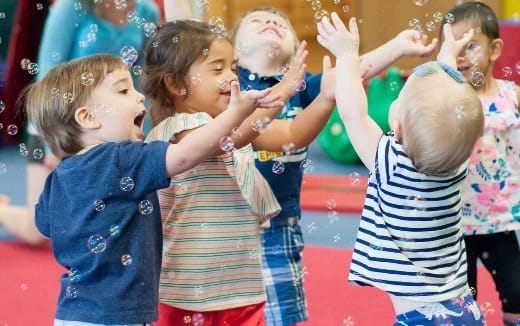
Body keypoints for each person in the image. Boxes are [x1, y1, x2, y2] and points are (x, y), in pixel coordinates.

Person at [26, 53, 279, 325]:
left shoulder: (59, 177)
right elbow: (185, 154)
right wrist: (234, 114)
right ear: (87, 117)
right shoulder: (122, 158)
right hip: (120, 316)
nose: (139, 97)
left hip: (71, 314)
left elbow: (44, 225)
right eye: (123, 90)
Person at [228, 7, 439, 326]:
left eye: (281, 23)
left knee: (281, 316)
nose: (271, 22)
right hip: (228, 224)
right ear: (233, 52)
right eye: (257, 21)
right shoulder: (229, 89)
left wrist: (397, 46)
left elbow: (354, 71)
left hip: (280, 223)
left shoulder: (299, 87)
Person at [142, 19, 337, 325]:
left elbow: (291, 135)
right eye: (217, 69)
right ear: (176, 85)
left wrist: (326, 99)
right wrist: (282, 91)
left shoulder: (235, 128)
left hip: (241, 287)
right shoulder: (175, 132)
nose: (232, 77)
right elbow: (223, 139)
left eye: (231, 67)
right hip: (187, 292)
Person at [317, 12, 485, 325]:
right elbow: (453, 111)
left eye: (400, 96)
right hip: (464, 309)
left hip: (421, 318)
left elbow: (353, 113)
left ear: (397, 126)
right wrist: (446, 55)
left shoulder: (391, 164)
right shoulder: (457, 164)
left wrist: (347, 56)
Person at [0, 0, 190, 245]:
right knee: (38, 231)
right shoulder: (71, 6)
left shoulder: (147, 11)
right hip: (56, 125)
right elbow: (47, 73)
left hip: (108, 128)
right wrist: (52, 143)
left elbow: (140, 77)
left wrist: (145, 128)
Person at [439, 3, 520, 325]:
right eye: (451, 47)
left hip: (499, 220)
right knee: (461, 303)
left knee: (517, 294)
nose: (460, 56)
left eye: (470, 45)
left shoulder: (511, 95)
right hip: (452, 224)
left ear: (495, 49)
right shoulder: (442, 99)